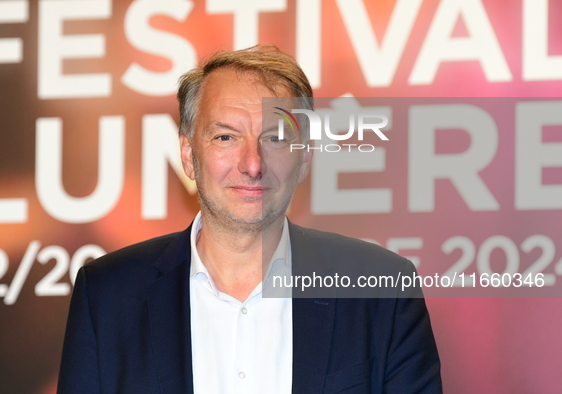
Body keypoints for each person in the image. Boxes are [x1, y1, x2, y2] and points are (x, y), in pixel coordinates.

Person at [58, 44, 442, 394]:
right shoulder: (108, 296)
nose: (252, 164)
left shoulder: (382, 291)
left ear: (305, 156)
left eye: (275, 138)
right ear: (189, 156)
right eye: (226, 137)